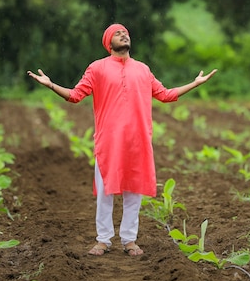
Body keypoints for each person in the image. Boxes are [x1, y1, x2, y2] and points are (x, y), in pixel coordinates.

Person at [27, 23, 217, 257]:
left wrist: (194, 84)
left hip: (138, 141)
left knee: (133, 192)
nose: (123, 34)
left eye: (125, 32)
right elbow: (76, 95)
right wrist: (51, 85)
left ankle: (129, 240)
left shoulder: (143, 70)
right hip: (108, 142)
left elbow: (165, 95)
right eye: (117, 33)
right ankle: (103, 240)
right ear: (109, 43)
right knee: (105, 193)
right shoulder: (97, 68)